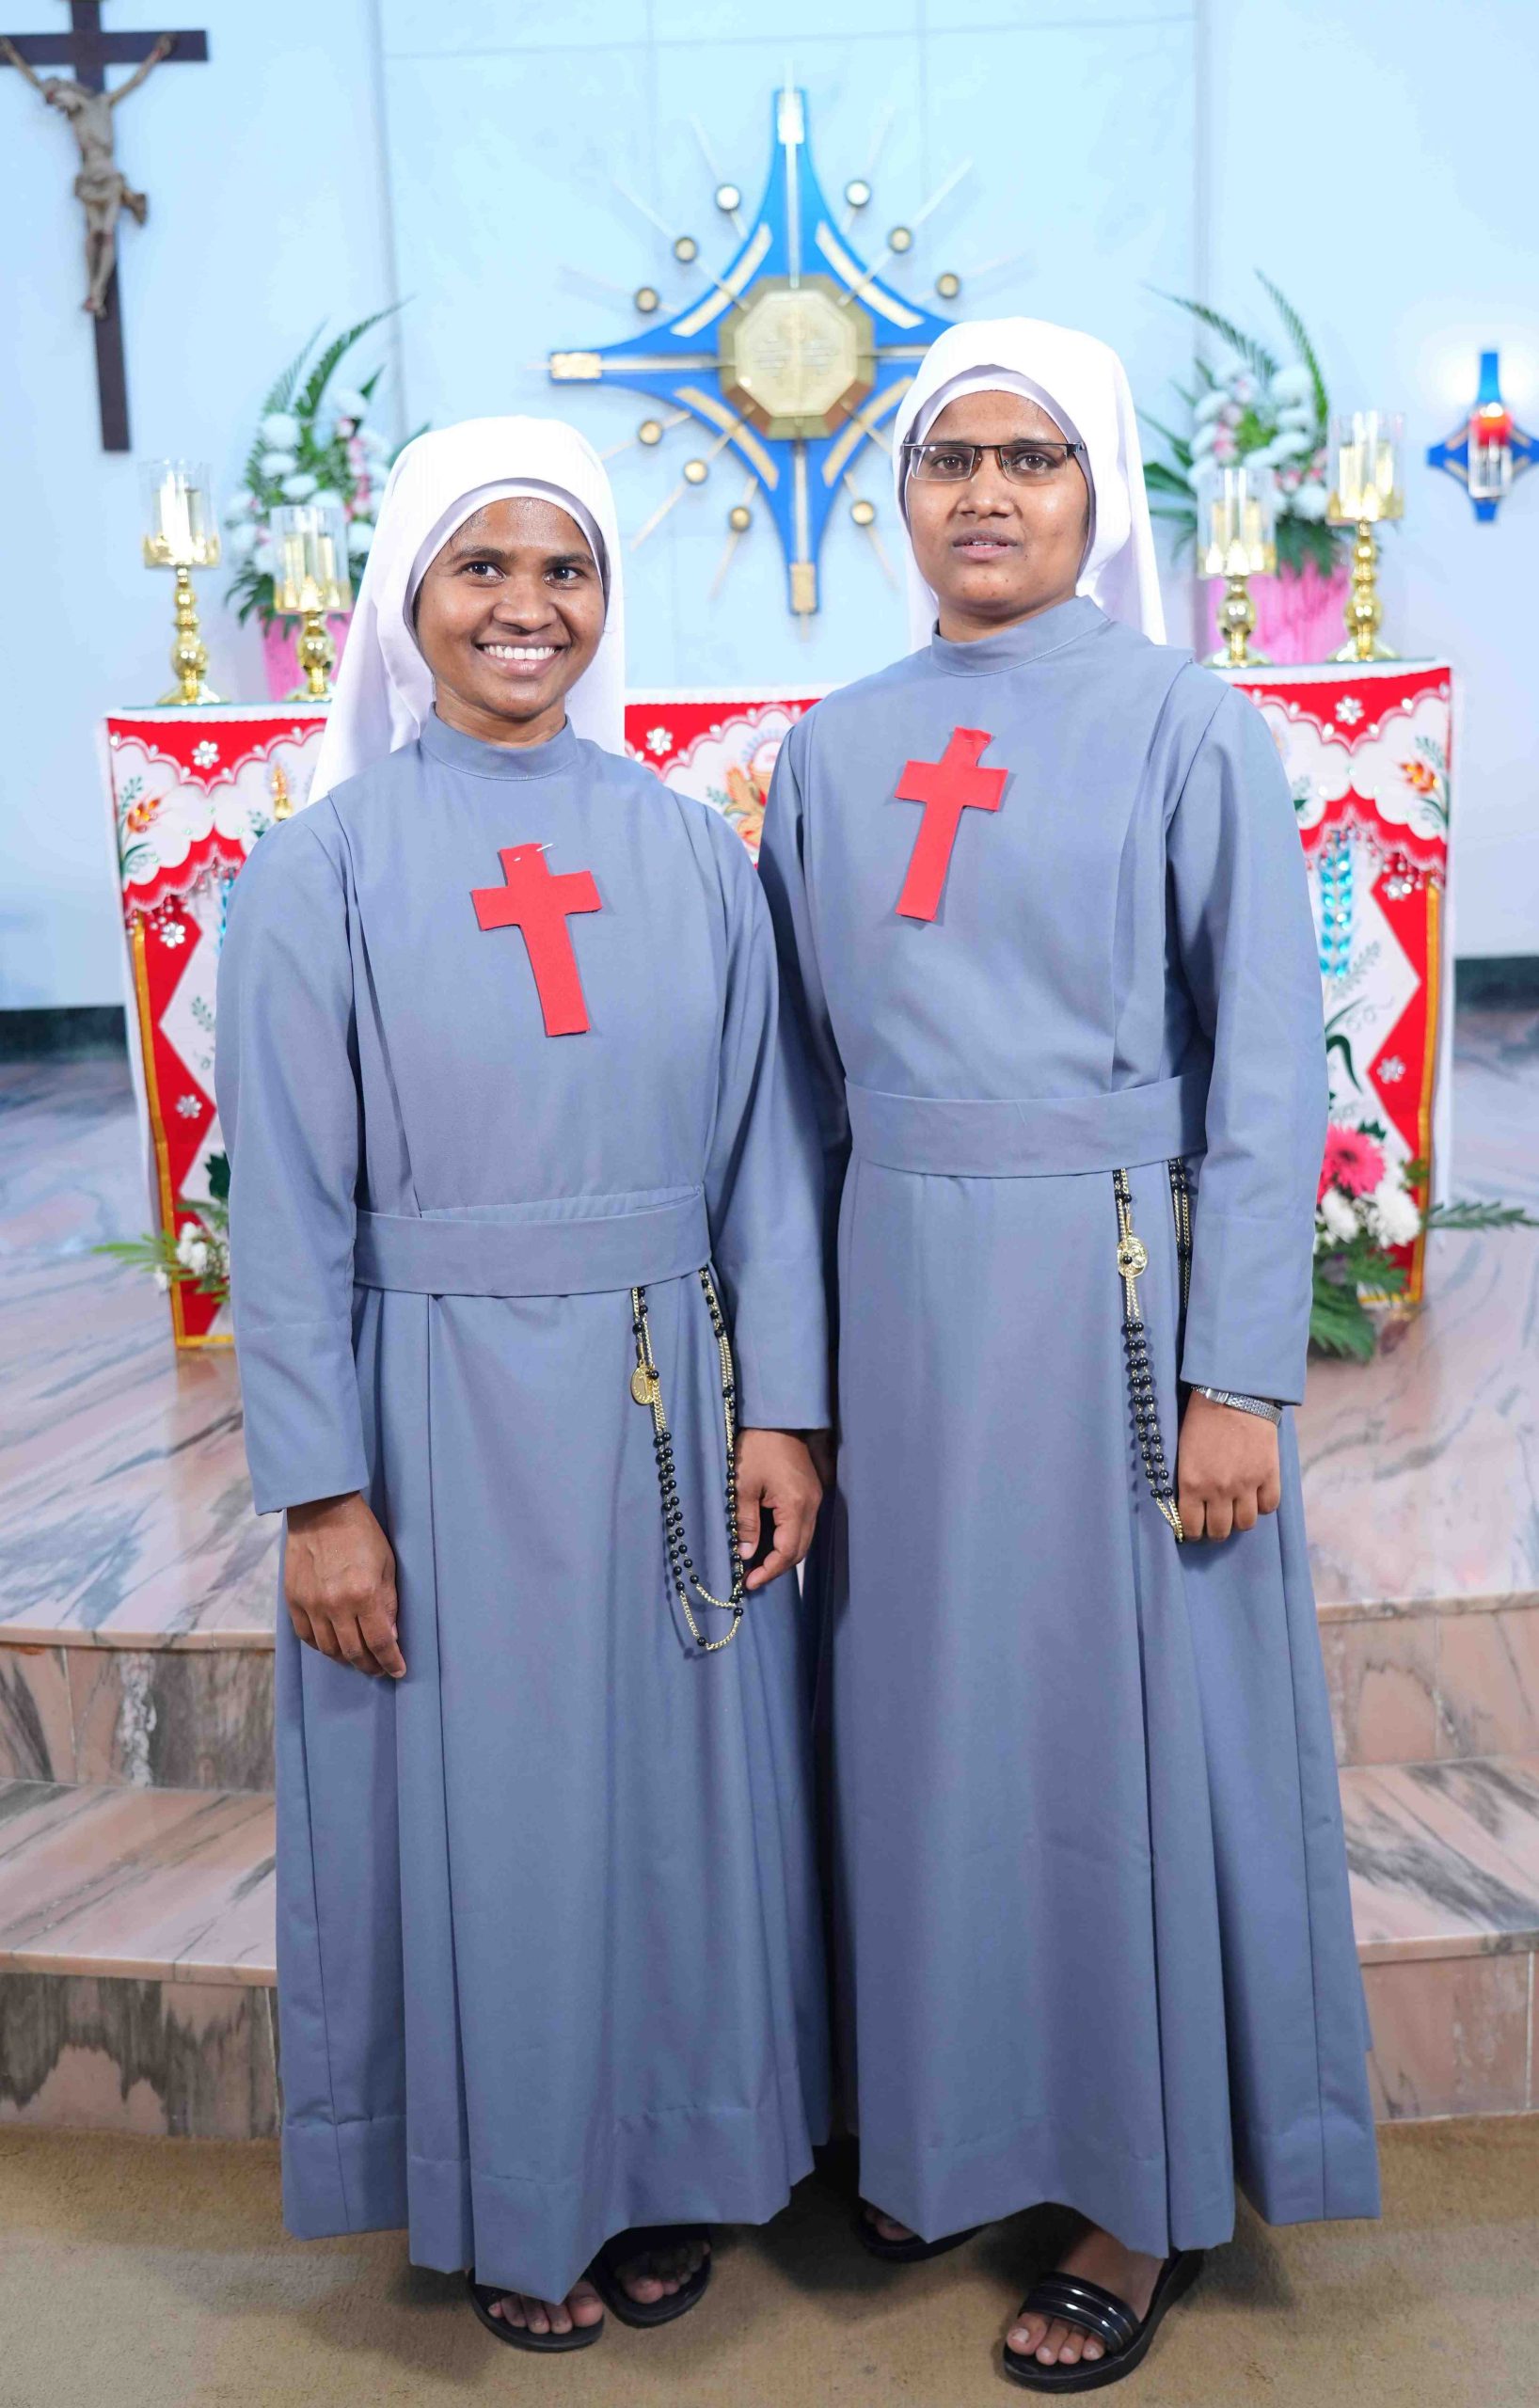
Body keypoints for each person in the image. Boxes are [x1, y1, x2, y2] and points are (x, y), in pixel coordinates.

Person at [757, 321, 1380, 2391]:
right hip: (901, 1306)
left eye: (1031, 457)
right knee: (924, 1731)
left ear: (1095, 493)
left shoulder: (1187, 724)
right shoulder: (835, 750)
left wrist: (1237, 1373)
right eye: (950, 457)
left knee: (1107, 1753)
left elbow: (1268, 1074)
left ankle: (1136, 2185)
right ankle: (945, 2123)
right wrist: (794, 1393)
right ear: (902, 496)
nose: (987, 492)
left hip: (1112, 1304)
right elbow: (792, 1102)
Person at [216, 417, 832, 2353]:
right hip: (438, 1409)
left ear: (604, 602)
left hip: (661, 1398)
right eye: (480, 567)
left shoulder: (690, 851)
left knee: (669, 1807)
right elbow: (286, 1207)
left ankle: (668, 2159)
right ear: (407, 601)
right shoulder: (318, 870)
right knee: (500, 1817)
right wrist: (323, 1492)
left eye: (563, 569)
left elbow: (768, 1158)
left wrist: (782, 1410)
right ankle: (513, 2190)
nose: (525, 606)